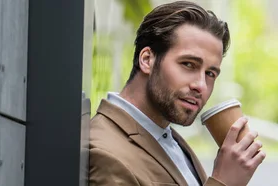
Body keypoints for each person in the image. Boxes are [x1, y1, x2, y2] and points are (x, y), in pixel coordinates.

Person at [88, 1, 266, 186]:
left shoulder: (163, 133)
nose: (201, 86)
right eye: (188, 64)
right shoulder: (106, 153)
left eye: (210, 73)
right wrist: (223, 181)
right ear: (147, 60)